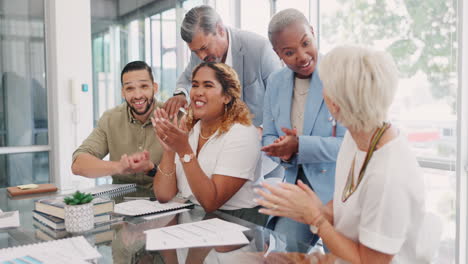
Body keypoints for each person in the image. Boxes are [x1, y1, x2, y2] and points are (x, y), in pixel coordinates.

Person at [256, 45, 440, 263]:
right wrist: (315, 209)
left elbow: (369, 262)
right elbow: (348, 210)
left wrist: (316, 218)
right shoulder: (356, 138)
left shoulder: (387, 175)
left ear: (335, 104)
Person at [261, 9, 345, 246]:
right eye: (289, 52)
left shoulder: (339, 75)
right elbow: (268, 135)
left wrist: (300, 146)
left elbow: (350, 145)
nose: (302, 56)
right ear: (278, 53)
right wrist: (282, 150)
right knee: (283, 257)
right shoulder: (276, 83)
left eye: (306, 43)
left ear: (313, 32)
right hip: (296, 190)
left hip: (337, 194)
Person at [152, 62, 266, 225]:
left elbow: (211, 202)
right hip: (196, 218)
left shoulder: (243, 134)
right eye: (195, 85)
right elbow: (164, 195)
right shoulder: (191, 130)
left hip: (238, 224)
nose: (198, 92)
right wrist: (169, 151)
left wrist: (184, 150)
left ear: (227, 96)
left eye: (208, 85)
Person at [164, 5, 282, 127]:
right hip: (220, 136)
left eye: (204, 48)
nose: (201, 57)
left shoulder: (260, 49)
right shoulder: (199, 53)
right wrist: (180, 94)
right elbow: (186, 79)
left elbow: (281, 100)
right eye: (195, 52)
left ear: (220, 29)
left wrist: (263, 130)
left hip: (259, 137)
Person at [71, 61, 164, 189]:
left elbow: (183, 177)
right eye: (130, 88)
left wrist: (151, 169)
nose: (137, 95)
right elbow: (78, 165)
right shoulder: (110, 119)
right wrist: (119, 167)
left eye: (144, 86)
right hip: (120, 204)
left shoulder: (173, 117)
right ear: (123, 92)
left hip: (166, 202)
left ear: (155, 87)